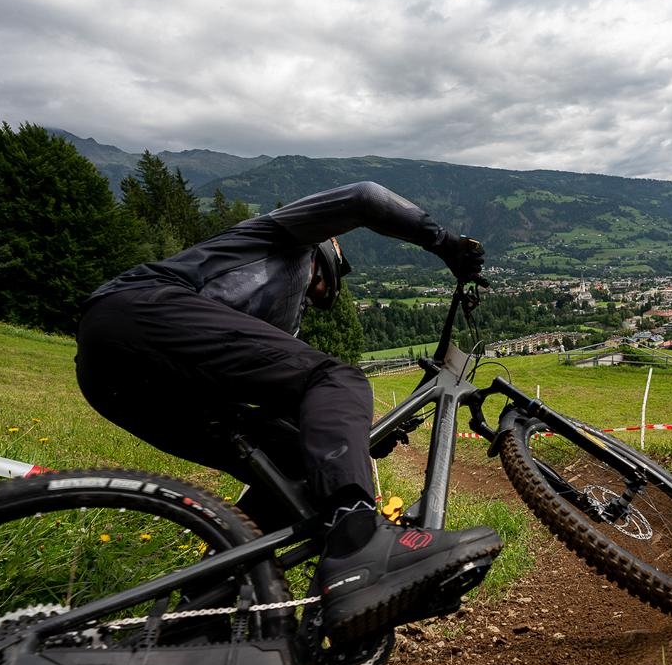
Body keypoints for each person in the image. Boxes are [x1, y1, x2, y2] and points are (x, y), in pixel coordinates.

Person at [75, 181, 502, 640]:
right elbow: (364, 198)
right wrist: (446, 245)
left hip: (118, 380)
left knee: (292, 466)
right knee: (337, 378)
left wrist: (353, 442)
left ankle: (196, 622)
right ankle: (358, 542)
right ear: (324, 257)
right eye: (319, 288)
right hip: (138, 310)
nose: (308, 300)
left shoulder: (268, 325)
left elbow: (305, 417)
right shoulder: (282, 236)